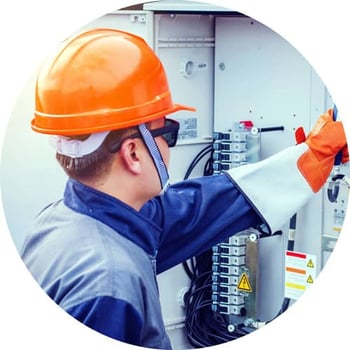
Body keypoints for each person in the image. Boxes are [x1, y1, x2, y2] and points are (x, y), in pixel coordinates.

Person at [20, 28, 348, 349]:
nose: (169, 149)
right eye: (169, 132)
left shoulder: (66, 221)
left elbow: (200, 207)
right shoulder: (108, 288)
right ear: (133, 153)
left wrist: (310, 157)